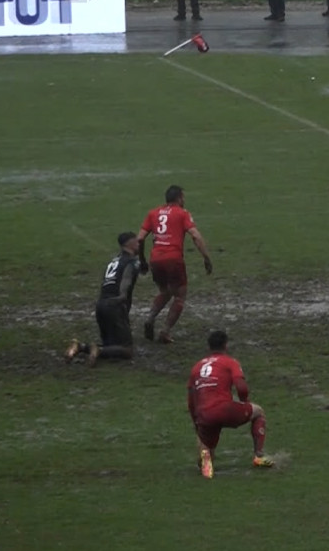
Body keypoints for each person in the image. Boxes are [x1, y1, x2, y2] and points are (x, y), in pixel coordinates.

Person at [187, 330, 273, 479]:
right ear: (226, 345)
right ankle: (259, 456)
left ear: (208, 347)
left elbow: (191, 400)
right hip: (224, 409)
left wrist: (196, 422)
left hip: (205, 414)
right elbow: (241, 387)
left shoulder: (196, 368)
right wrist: (244, 402)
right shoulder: (230, 362)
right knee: (258, 411)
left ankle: (206, 465)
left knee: (205, 446)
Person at [136, 185, 213, 344]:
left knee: (165, 291)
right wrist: (206, 258)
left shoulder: (153, 213)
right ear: (179, 198)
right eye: (183, 197)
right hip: (173, 259)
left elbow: (140, 238)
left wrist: (142, 260)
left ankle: (150, 318)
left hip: (155, 259)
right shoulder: (182, 213)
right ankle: (165, 332)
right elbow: (195, 236)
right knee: (179, 295)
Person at [64, 232, 141, 366]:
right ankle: (97, 350)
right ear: (130, 244)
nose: (139, 244)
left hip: (101, 304)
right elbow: (126, 279)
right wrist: (122, 297)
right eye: (137, 241)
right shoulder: (130, 262)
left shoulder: (114, 261)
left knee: (110, 345)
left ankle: (80, 347)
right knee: (127, 350)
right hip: (115, 305)